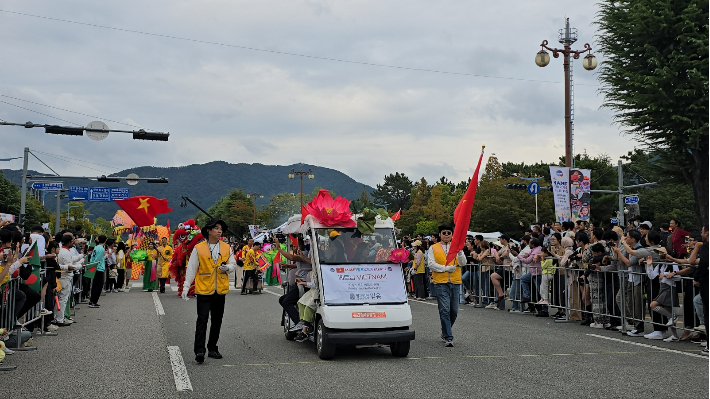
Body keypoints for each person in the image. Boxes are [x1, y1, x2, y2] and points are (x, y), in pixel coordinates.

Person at [182, 219, 236, 363]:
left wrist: (228, 268)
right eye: (216, 228)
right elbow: (192, 268)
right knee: (202, 320)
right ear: (208, 230)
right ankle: (199, 350)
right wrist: (186, 286)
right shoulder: (199, 248)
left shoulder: (226, 247)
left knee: (217, 320)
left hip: (220, 289)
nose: (219, 231)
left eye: (221, 229)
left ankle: (212, 347)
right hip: (204, 289)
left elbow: (233, 264)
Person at [427, 224, 466, 347]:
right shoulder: (434, 247)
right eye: (444, 233)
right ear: (440, 235)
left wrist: (459, 252)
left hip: (455, 282)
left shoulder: (457, 247)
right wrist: (446, 268)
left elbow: (463, 263)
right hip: (440, 282)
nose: (446, 235)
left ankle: (445, 332)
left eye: (449, 233)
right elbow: (431, 264)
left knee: (453, 311)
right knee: (444, 309)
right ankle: (449, 337)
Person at [88, 235, 107, 308]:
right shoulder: (101, 249)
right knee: (99, 285)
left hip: (94, 267)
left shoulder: (96, 247)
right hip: (98, 268)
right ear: (105, 241)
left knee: (94, 285)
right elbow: (97, 259)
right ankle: (94, 301)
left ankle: (92, 301)